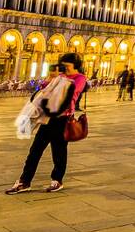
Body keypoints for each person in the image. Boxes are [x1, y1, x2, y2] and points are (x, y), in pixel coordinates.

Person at [6, 53, 87, 195]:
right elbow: (44, 88)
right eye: (63, 66)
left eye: (67, 66)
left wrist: (61, 82)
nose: (64, 69)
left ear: (75, 66)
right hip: (48, 118)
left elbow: (73, 92)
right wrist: (50, 79)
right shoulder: (60, 77)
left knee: (59, 152)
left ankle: (57, 180)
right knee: (35, 151)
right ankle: (24, 181)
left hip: (62, 120)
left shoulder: (79, 78)